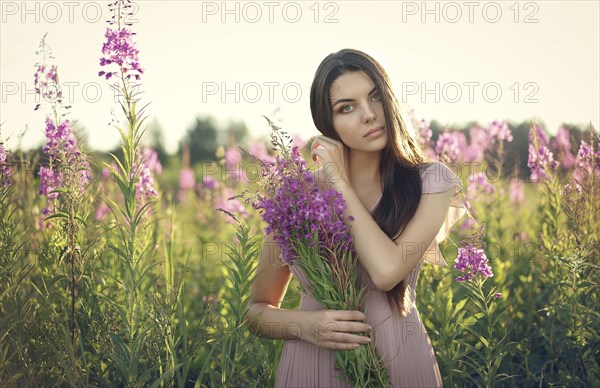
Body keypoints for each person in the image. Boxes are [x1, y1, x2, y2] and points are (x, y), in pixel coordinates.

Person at [245, 48, 466, 387]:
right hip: (312, 368)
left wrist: (339, 184)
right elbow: (257, 311)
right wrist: (307, 326)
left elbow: (386, 271)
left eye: (376, 97)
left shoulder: (432, 182)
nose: (368, 115)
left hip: (399, 364)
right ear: (326, 123)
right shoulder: (296, 198)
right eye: (346, 107)